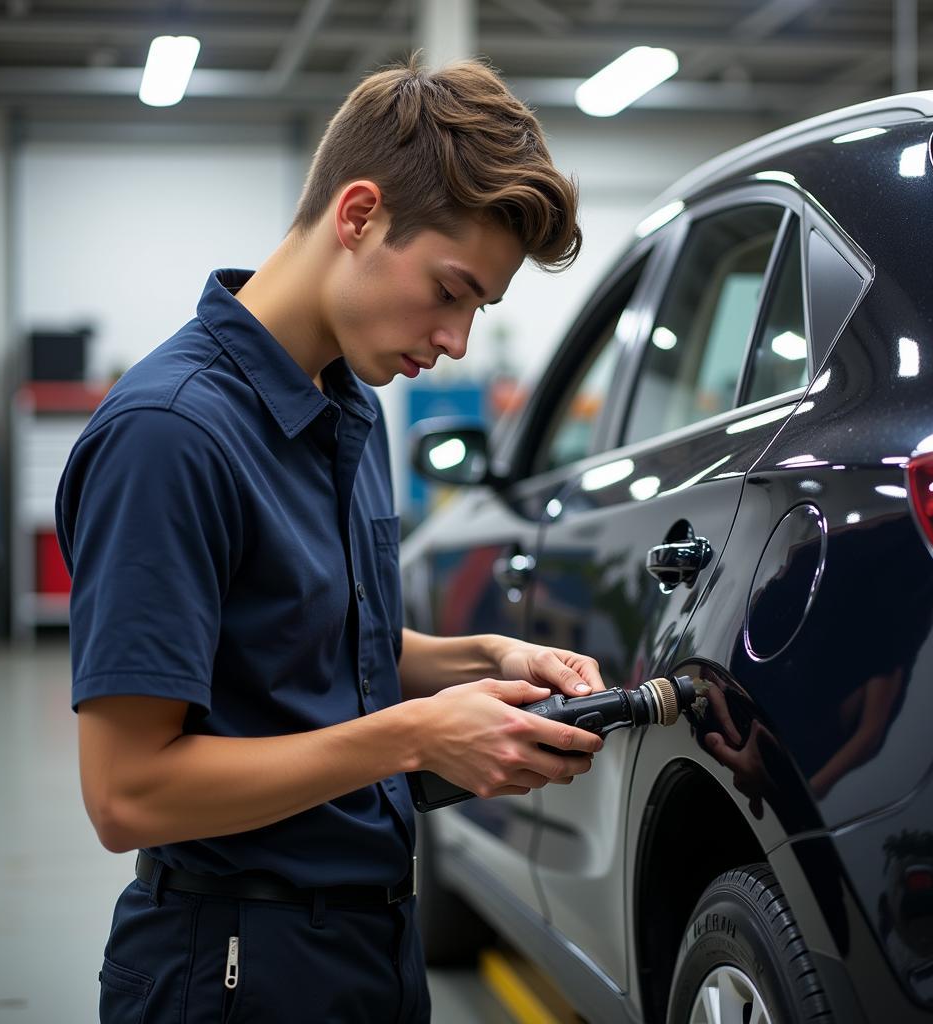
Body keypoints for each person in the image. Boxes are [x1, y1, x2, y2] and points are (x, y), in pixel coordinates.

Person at [55, 56, 605, 1024]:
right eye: (449, 290)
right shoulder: (171, 434)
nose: (456, 341)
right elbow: (129, 794)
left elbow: (301, 647)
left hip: (366, 943)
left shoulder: (346, 402)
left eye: (479, 308)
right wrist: (412, 736)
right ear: (358, 216)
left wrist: (478, 658)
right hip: (234, 966)